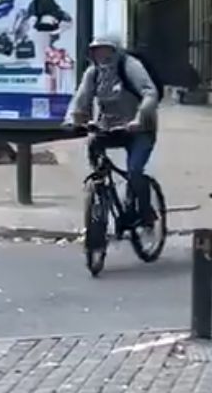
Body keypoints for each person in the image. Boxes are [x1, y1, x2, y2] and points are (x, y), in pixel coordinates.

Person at [62, 34, 160, 242]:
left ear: (115, 50)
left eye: (106, 50)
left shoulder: (130, 66)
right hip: (110, 127)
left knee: (134, 171)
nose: (101, 55)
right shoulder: (94, 73)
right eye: (97, 51)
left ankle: (145, 213)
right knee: (94, 147)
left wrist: (140, 118)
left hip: (139, 129)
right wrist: (73, 119)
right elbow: (81, 98)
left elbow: (149, 93)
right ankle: (102, 192)